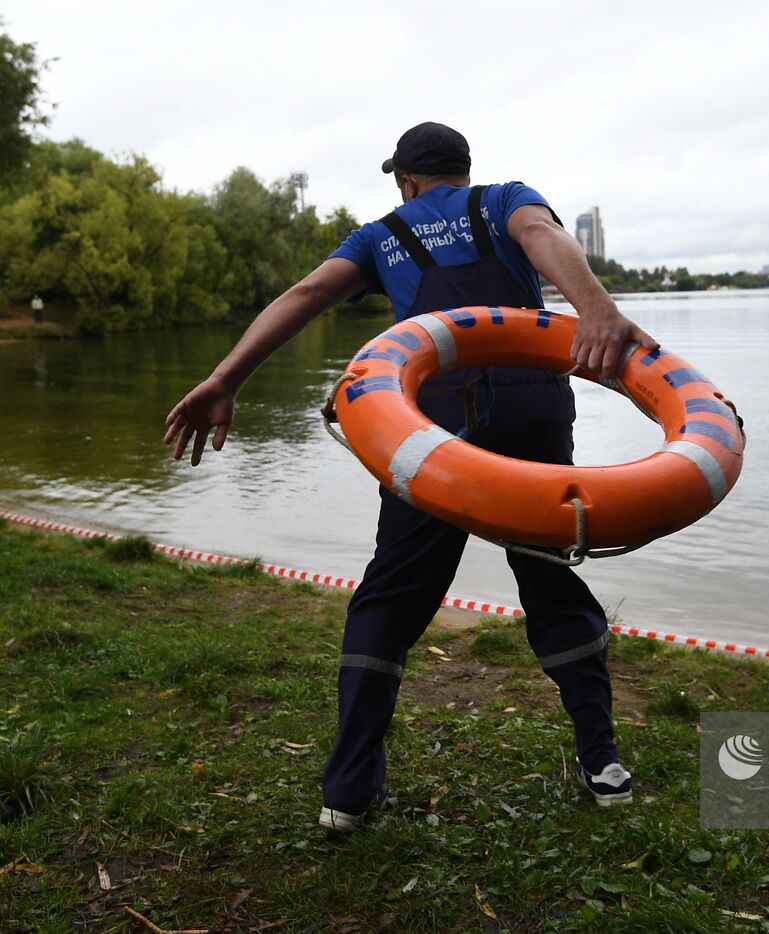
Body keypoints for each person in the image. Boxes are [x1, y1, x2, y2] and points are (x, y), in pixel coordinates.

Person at [163, 121, 658, 831]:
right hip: (531, 413)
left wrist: (224, 378)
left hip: (430, 432)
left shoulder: (380, 234)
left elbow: (305, 295)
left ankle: (349, 792)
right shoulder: (503, 200)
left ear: (406, 179)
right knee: (550, 579)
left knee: (390, 597)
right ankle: (603, 763)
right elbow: (546, 239)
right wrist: (596, 308)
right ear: (463, 169)